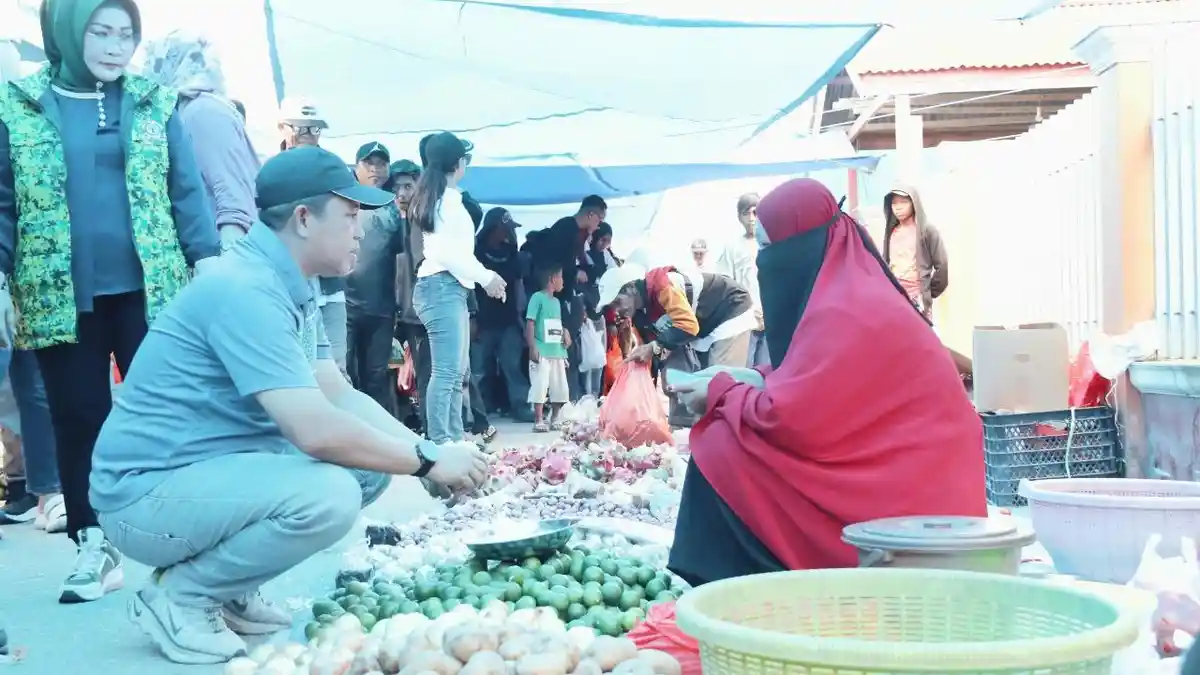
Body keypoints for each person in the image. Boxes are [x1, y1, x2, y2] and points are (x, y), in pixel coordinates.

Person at [89, 146, 491, 664]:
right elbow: (316, 432)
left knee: (368, 471)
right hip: (144, 495)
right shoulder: (245, 290)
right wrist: (429, 461)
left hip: (203, 476)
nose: (361, 230)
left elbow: (338, 394)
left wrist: (424, 450)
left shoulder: (289, 285)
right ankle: (183, 597)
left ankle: (230, 584)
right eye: (349, 216)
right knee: (329, 493)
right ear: (303, 219)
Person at [0, 0, 221, 603]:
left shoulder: (155, 100)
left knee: (170, 415)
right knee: (79, 421)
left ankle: (188, 545)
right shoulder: (16, 106)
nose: (114, 46)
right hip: (57, 292)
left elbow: (186, 188)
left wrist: (208, 260)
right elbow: (3, 201)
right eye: (101, 31)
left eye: (126, 34)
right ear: (69, 32)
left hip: (152, 291)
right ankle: (93, 545)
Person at [665, 178, 985, 587]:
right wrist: (751, 379)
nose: (764, 261)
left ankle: (749, 587)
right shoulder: (850, 291)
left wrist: (721, 392)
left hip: (915, 516)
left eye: (768, 248)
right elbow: (822, 387)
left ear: (801, 245)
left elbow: (791, 419)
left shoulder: (844, 311)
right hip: (919, 491)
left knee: (721, 445)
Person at [408, 132, 505, 444]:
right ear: (458, 162)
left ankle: (451, 436)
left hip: (448, 289)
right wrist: (487, 277)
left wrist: (482, 277)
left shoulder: (443, 199)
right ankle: (441, 440)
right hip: (441, 287)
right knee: (448, 373)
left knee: (454, 373)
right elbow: (448, 255)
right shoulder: (445, 203)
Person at [597, 257, 757, 426]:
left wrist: (654, 347)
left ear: (631, 289)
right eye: (612, 306)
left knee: (720, 380)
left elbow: (688, 326)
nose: (617, 310)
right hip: (700, 325)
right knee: (674, 376)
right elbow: (655, 349)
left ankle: (724, 433)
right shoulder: (640, 312)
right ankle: (683, 425)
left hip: (729, 310)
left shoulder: (663, 287)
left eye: (617, 302)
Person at [141, 30, 260, 252]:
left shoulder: (202, 112)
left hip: (230, 252)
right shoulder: (182, 111)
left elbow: (230, 193)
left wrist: (230, 260)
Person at [276, 96, 349, 369]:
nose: (307, 135)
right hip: (289, 288)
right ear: (282, 128)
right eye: (299, 128)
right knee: (298, 368)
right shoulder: (271, 172)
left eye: (314, 129)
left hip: (330, 287)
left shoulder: (335, 168)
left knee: (337, 366)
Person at [346, 158, 418, 413]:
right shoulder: (344, 199)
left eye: (381, 164)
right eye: (369, 164)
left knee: (376, 375)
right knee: (344, 370)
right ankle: (349, 430)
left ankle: (380, 431)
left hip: (382, 309)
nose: (375, 169)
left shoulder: (393, 208)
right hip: (346, 306)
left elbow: (403, 259)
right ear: (357, 168)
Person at [527, 195, 607, 400]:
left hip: (561, 299)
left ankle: (563, 396)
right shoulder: (566, 230)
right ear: (590, 214)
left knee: (564, 348)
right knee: (557, 349)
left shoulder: (575, 233)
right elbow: (554, 264)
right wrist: (574, 274)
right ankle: (557, 398)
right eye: (599, 220)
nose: (598, 226)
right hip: (555, 300)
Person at [473, 207, 531, 422]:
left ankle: (520, 405)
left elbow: (518, 288)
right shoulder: (475, 252)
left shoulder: (512, 254)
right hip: (482, 321)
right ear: (493, 228)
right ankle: (479, 409)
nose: (508, 233)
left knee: (512, 366)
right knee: (480, 370)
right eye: (504, 228)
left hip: (508, 322)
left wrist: (521, 320)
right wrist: (471, 318)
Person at [882, 185, 948, 321]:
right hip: (894, 298)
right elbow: (885, 264)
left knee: (920, 339)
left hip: (917, 298)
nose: (898, 207)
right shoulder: (892, 232)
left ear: (914, 203)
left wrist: (928, 293)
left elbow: (942, 266)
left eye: (903, 202)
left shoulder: (927, 231)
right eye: (894, 203)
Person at [716, 193, 767, 366]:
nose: (752, 219)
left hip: (772, 319)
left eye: (756, 212)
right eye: (746, 213)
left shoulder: (772, 243)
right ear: (739, 217)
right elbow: (727, 286)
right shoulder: (732, 248)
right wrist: (750, 310)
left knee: (768, 371)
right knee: (746, 370)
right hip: (745, 319)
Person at [526, 265, 571, 432]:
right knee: (540, 384)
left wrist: (565, 332)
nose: (563, 282)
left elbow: (555, 323)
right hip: (542, 350)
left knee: (560, 386)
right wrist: (532, 346)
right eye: (561, 278)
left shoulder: (557, 302)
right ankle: (539, 419)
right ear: (553, 279)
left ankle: (555, 417)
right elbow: (530, 322)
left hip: (557, 351)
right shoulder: (537, 298)